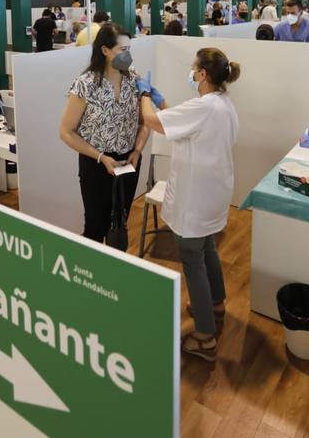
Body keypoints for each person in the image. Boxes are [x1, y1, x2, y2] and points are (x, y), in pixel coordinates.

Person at [137, 47, 240, 362]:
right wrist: (161, 102)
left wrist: (144, 95)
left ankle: (205, 337)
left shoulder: (204, 107)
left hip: (195, 198)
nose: (192, 74)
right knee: (207, 247)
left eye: (194, 70)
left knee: (192, 257)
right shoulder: (223, 103)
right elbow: (181, 123)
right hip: (214, 193)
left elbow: (152, 121)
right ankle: (216, 304)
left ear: (203, 74)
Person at [59, 23, 149, 244]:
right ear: (105, 50)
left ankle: (115, 264)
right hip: (96, 165)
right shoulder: (86, 84)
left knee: (119, 223)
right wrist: (101, 157)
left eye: (129, 49)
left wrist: (137, 150)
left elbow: (144, 122)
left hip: (129, 162)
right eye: (122, 50)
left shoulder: (134, 79)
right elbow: (66, 131)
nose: (128, 55)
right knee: (94, 226)